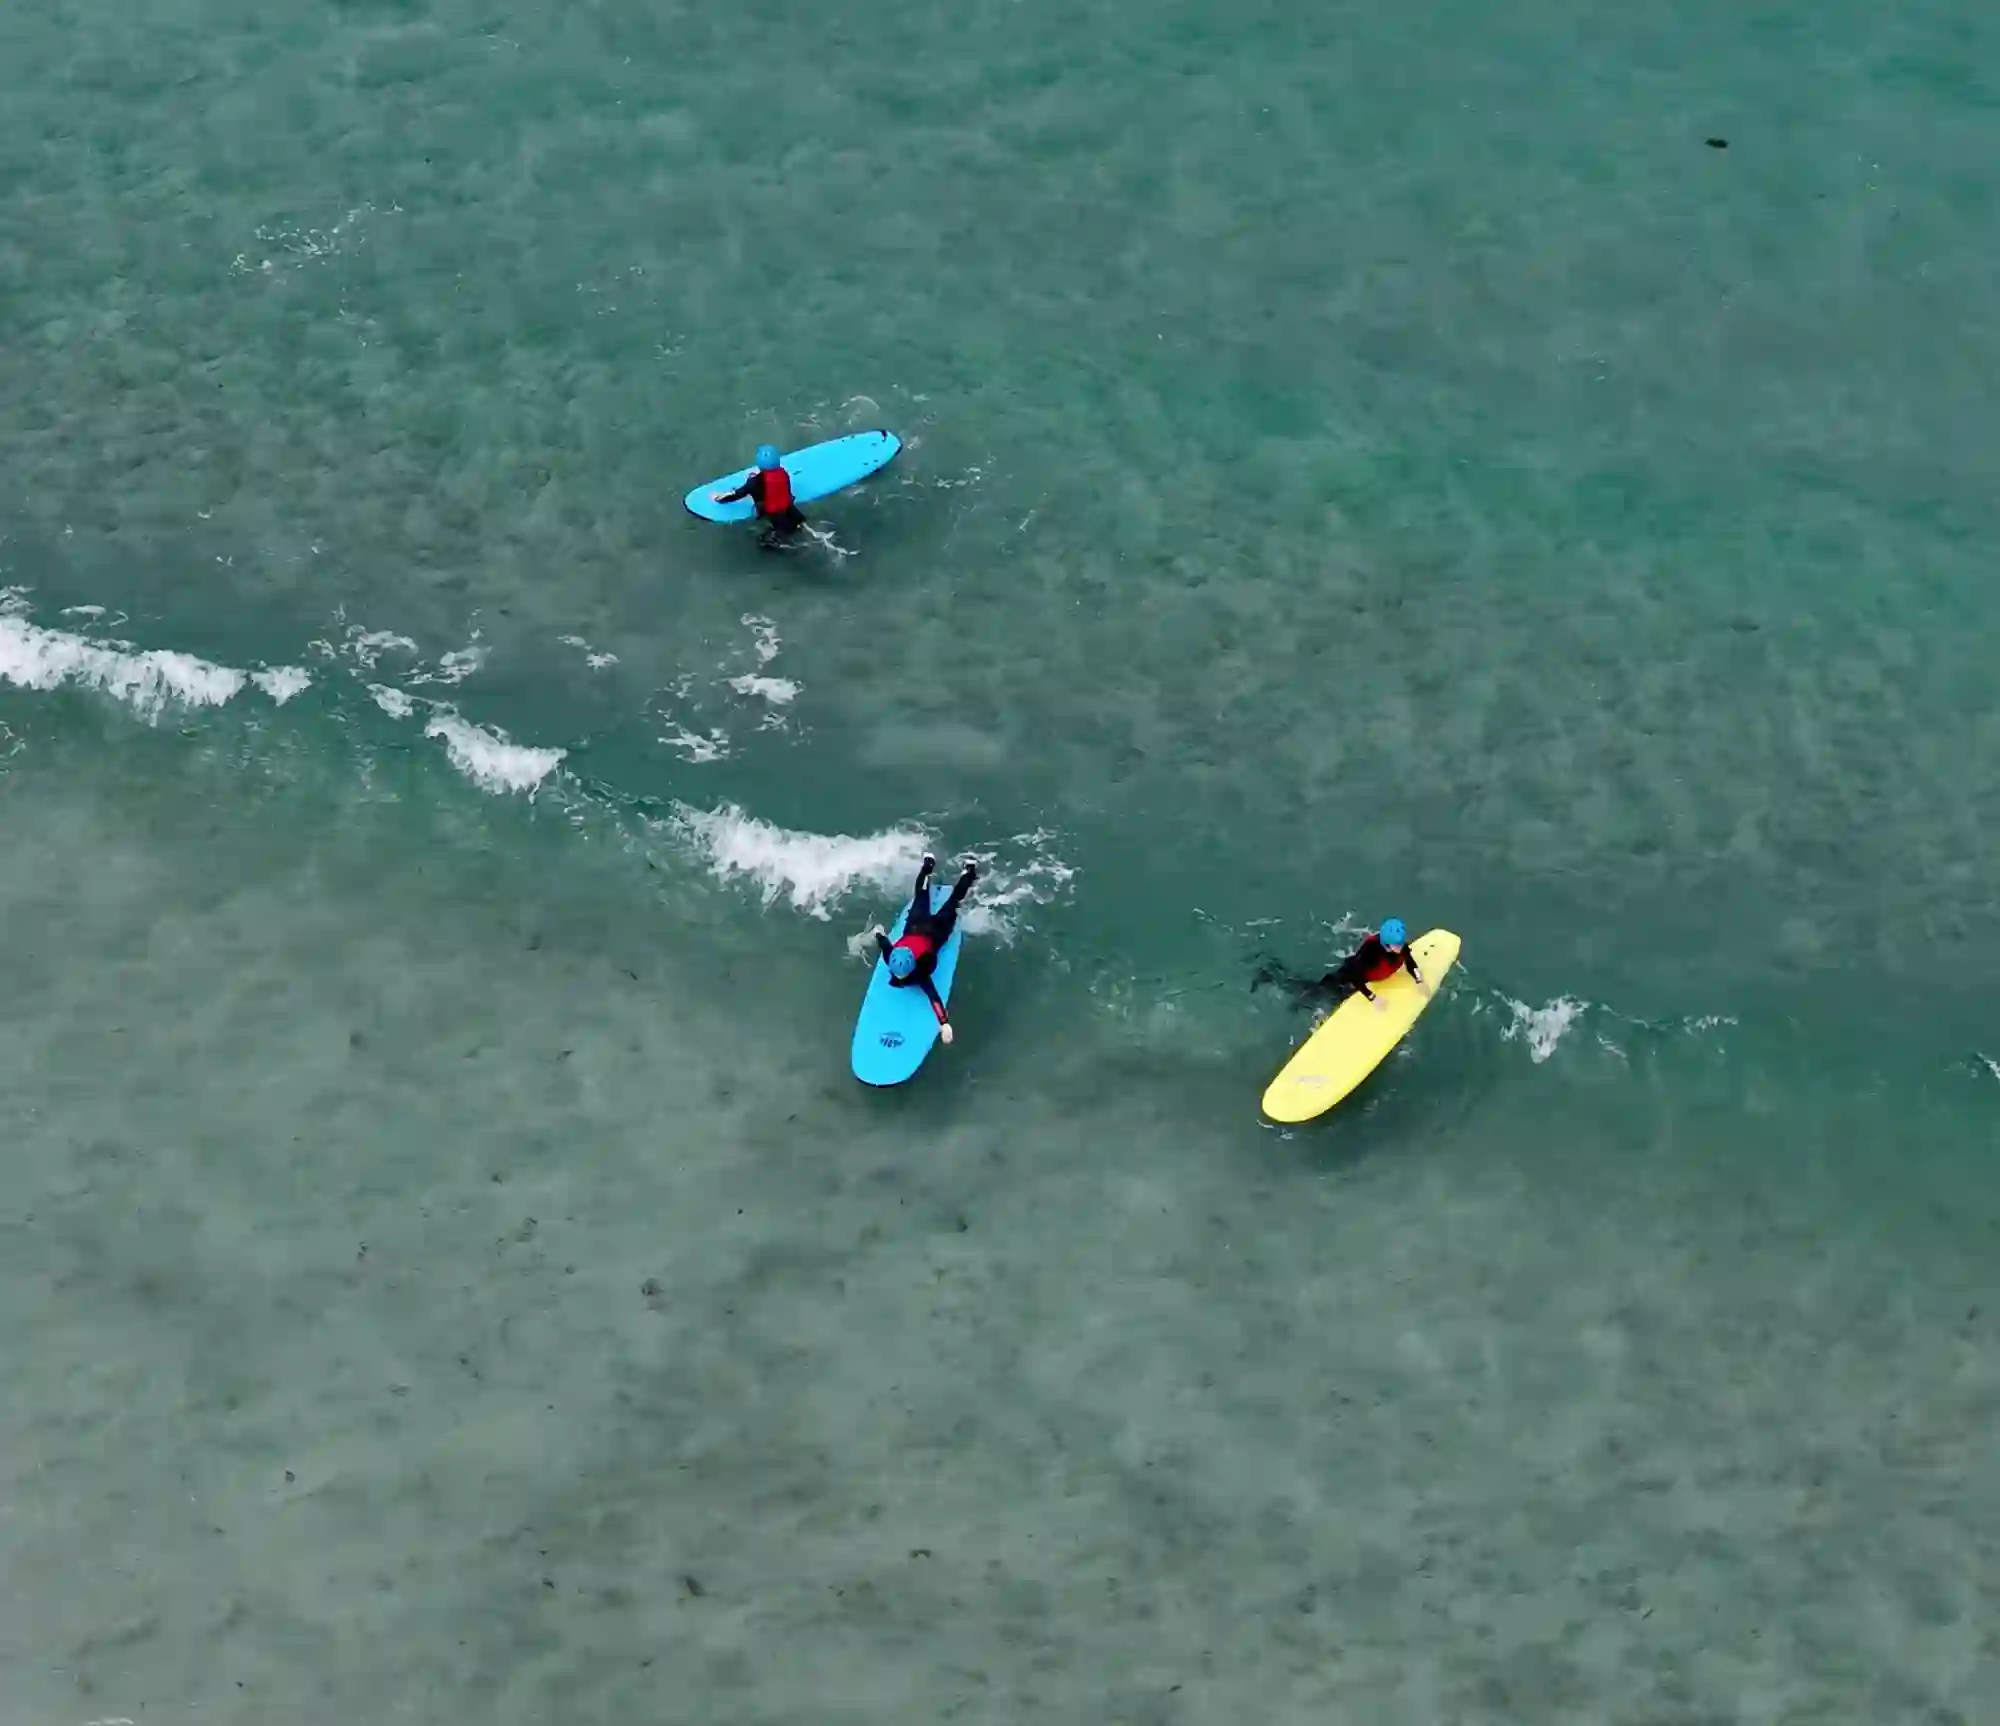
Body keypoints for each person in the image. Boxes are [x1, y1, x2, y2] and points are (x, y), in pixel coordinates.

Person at [872, 853, 979, 1043]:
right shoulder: (896, 959)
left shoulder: (910, 968)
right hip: (917, 926)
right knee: (925, 898)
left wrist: (944, 1023)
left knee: (949, 901)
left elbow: (933, 997)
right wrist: (879, 934)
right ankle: (941, 867)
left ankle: (962, 869)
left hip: (933, 931)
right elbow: (885, 944)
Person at [1254, 918, 1430, 1013]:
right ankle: (1269, 975)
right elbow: (1355, 977)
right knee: (1312, 993)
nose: (1401, 946)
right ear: (1387, 944)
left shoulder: (1399, 947)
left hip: (1363, 980)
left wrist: (1419, 980)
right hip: (1346, 980)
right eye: (1397, 944)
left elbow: (1409, 961)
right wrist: (1373, 998)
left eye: (1401, 942)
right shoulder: (1371, 954)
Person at [711, 444, 808, 547]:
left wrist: (718, 498)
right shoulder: (783, 473)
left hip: (774, 515)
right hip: (789, 508)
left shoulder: (754, 482)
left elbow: (738, 494)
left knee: (762, 542)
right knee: (799, 526)